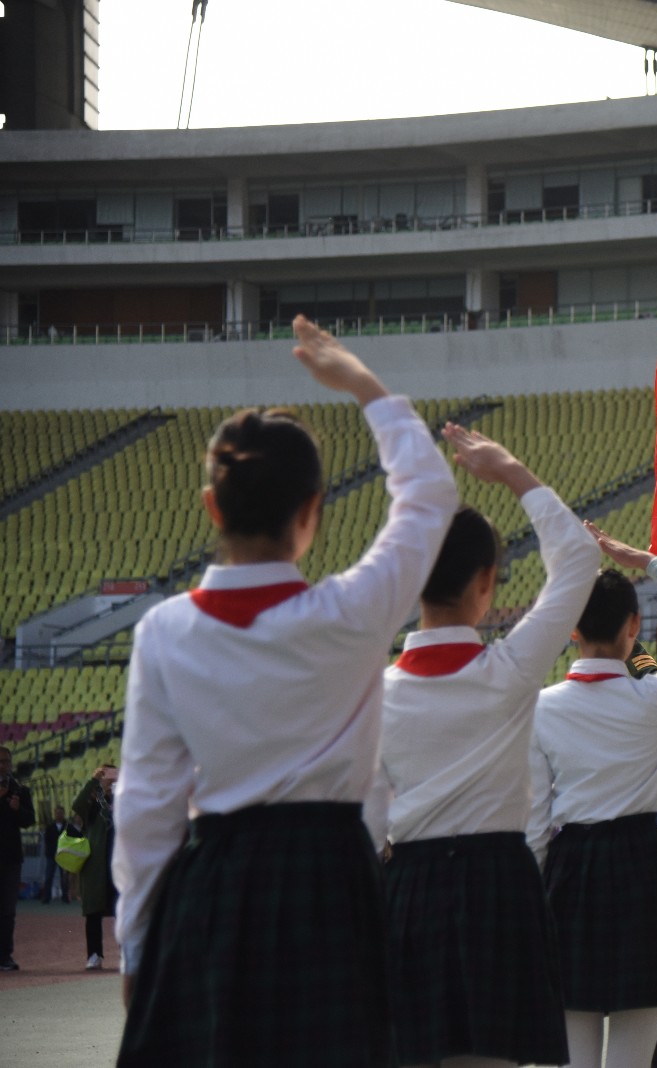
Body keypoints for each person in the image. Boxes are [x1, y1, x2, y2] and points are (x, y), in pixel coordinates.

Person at [113, 318, 458, 1068]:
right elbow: (429, 494)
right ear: (312, 513)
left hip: (215, 888)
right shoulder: (351, 612)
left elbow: (145, 808)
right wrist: (363, 383)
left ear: (212, 509)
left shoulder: (164, 633)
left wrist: (138, 949)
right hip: (334, 882)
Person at [375, 427, 596, 1068]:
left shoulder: (376, 693)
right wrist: (513, 472)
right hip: (499, 884)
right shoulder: (509, 669)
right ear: (487, 581)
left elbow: (363, 819)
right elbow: (579, 559)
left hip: (408, 886)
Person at [527, 526, 657, 1068]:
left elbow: (531, 825)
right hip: (644, 866)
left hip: (570, 869)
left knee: (572, 1049)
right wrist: (646, 561)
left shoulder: (540, 708)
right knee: (634, 1055)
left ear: (572, 628)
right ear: (634, 626)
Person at [75, 766, 117, 971]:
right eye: (106, 775)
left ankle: (128, 953)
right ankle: (94, 954)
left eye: (113, 775)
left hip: (120, 865)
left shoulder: (124, 797)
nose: (110, 780)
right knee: (93, 913)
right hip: (97, 867)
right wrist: (94, 784)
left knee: (125, 911)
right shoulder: (96, 802)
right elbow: (78, 806)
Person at [0, 747, 33, 971]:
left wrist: (17, 808)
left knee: (8, 910)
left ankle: (5, 956)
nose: (2, 765)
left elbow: (30, 819)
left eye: (5, 761)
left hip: (11, 857)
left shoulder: (20, 789)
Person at [41, 805, 72, 905]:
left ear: (63, 814)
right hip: (52, 855)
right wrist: (51, 852)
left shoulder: (67, 826)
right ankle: (46, 897)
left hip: (63, 855)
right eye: (57, 812)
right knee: (49, 876)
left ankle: (65, 896)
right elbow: (47, 841)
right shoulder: (50, 827)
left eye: (61, 813)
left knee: (65, 877)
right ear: (55, 814)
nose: (59, 814)